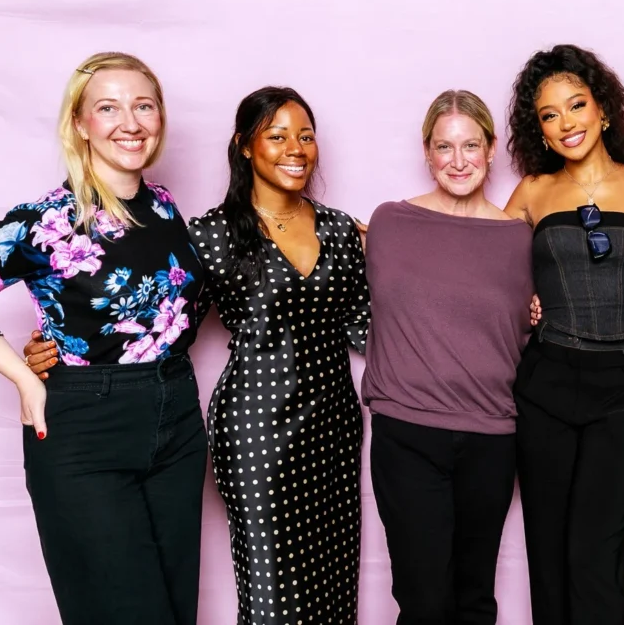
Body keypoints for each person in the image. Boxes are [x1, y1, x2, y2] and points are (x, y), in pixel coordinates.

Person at [26, 86, 370, 625]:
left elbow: (367, 327)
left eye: (306, 136)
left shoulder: (342, 229)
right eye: (277, 136)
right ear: (245, 146)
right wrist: (60, 344)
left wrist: (406, 255)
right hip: (259, 431)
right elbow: (161, 324)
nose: (295, 149)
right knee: (273, 592)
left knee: (334, 581)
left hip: (335, 429)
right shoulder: (211, 235)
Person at [0, 52, 208, 624]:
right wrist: (26, 378)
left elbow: (170, 313)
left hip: (177, 417)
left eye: (143, 106)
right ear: (79, 123)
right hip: (86, 429)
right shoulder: (46, 221)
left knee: (176, 609)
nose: (130, 122)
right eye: (108, 108)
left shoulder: (164, 206)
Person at [504, 43, 624, 625]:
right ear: (540, 130)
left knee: (594, 550)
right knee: (547, 546)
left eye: (576, 105)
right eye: (549, 114)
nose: (566, 123)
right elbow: (482, 265)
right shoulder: (533, 191)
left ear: (603, 108)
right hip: (545, 381)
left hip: (623, 386)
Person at [361, 90, 534, 624]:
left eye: (470, 145)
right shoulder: (388, 222)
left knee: (474, 598)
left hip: (491, 436)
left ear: (491, 149)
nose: (458, 161)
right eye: (444, 147)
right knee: (424, 600)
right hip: (407, 431)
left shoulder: (520, 238)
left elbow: (537, 320)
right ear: (427, 152)